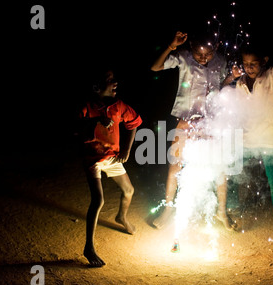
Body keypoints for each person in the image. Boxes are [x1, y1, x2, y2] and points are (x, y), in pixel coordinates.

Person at [150, 31, 236, 230]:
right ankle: (168, 209)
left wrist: (231, 76)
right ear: (191, 49)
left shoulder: (220, 61)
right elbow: (155, 67)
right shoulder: (183, 58)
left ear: (216, 48)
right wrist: (172, 46)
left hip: (210, 122)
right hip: (186, 122)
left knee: (220, 167)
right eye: (199, 54)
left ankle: (221, 212)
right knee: (175, 165)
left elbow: (221, 86)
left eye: (208, 54)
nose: (204, 58)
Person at [225, 18, 273, 233]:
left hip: (271, 138)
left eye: (253, 64)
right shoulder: (239, 84)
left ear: (264, 61)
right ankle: (230, 208)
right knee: (230, 167)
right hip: (249, 138)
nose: (249, 68)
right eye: (246, 64)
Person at [78, 68, 142, 267]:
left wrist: (127, 150)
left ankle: (121, 216)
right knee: (98, 199)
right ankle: (89, 247)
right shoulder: (87, 107)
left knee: (129, 190)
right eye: (110, 80)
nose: (116, 83)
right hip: (93, 159)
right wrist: (96, 121)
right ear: (97, 87)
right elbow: (74, 129)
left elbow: (134, 123)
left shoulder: (118, 106)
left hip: (112, 157)